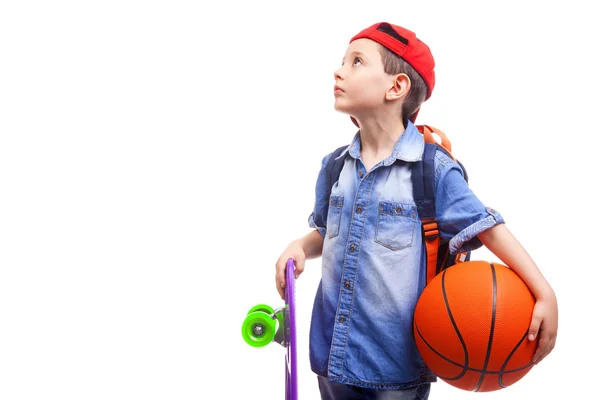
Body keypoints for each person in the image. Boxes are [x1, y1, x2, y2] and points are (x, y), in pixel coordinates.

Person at [274, 21, 558, 400]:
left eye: (356, 62)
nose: (338, 70)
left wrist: (544, 293)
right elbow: (328, 232)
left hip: (396, 369)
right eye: (343, 60)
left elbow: (487, 228)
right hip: (332, 358)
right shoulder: (335, 166)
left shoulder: (432, 169)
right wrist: (299, 244)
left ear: (397, 87)